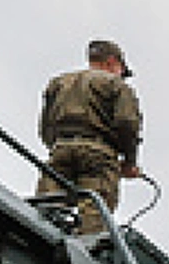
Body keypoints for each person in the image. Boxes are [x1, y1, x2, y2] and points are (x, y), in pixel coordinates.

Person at [36, 39, 143, 234]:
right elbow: (127, 123)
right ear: (112, 62)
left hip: (60, 152)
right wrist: (129, 162)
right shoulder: (116, 85)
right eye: (122, 69)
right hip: (98, 157)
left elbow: (45, 128)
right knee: (93, 224)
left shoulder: (59, 83)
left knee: (46, 214)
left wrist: (62, 146)